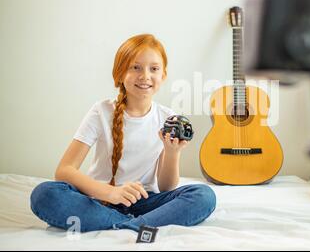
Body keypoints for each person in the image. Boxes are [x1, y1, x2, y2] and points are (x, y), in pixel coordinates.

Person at [30, 34, 216, 233]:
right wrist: (111, 193)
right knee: (44, 194)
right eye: (135, 67)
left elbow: (166, 188)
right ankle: (139, 224)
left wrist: (172, 153)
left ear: (163, 75)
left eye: (154, 69)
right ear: (119, 73)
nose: (145, 76)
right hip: (100, 200)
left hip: (146, 200)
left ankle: (121, 224)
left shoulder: (167, 117)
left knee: (203, 195)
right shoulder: (101, 111)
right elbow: (65, 170)